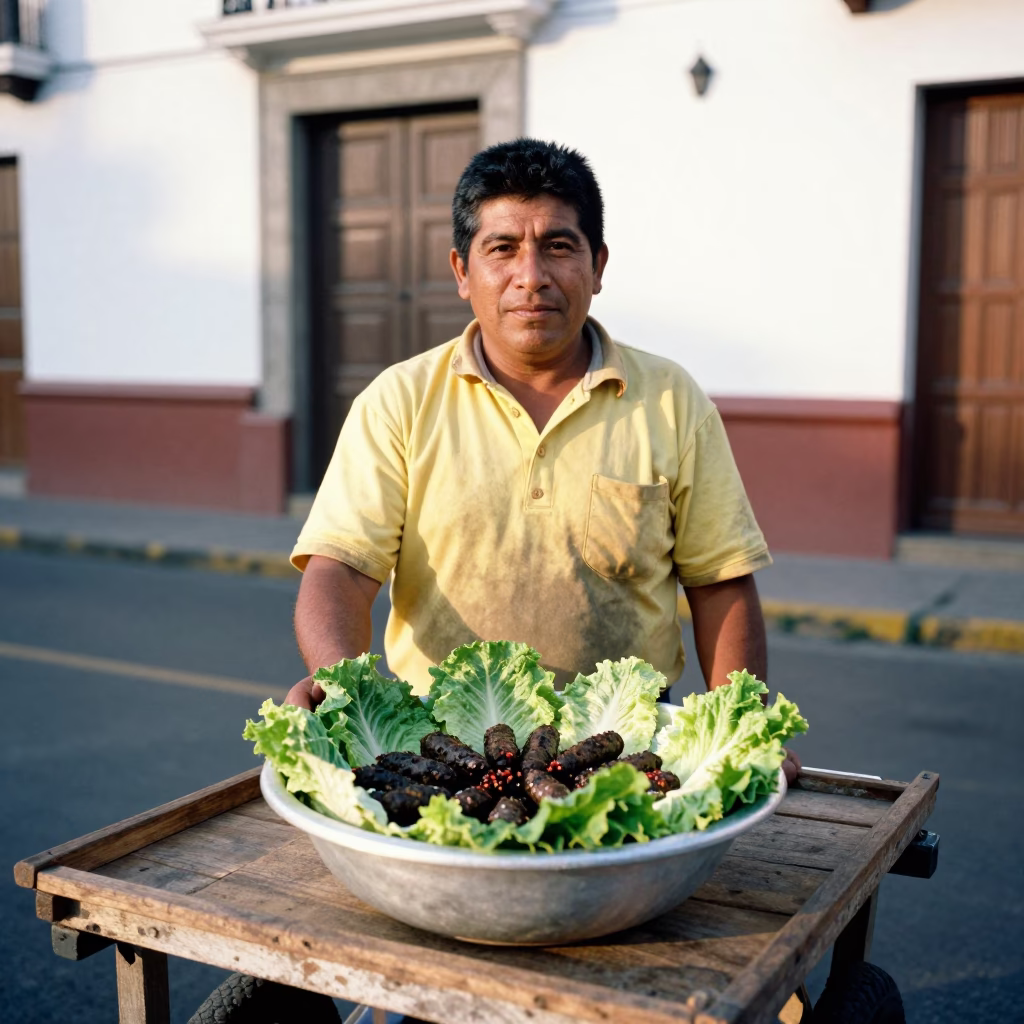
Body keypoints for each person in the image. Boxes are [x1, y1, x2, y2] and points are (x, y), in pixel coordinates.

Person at [285, 138, 798, 782]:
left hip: (625, 746)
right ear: (461, 272)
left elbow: (720, 582)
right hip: (438, 750)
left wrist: (740, 722)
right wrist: (340, 688)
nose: (532, 276)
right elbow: (339, 573)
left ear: (598, 264)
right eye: (501, 249)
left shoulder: (670, 399)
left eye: (559, 246)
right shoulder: (400, 400)